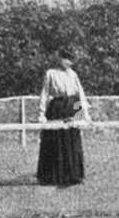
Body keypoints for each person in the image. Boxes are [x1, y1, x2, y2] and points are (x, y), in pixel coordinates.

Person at [36, 51, 91, 186]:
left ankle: (73, 176)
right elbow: (45, 93)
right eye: (65, 59)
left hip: (71, 107)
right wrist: (41, 113)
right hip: (57, 108)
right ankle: (51, 177)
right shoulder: (51, 73)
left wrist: (83, 115)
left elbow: (79, 95)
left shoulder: (73, 75)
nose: (68, 62)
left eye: (70, 60)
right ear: (60, 59)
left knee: (72, 140)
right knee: (54, 141)